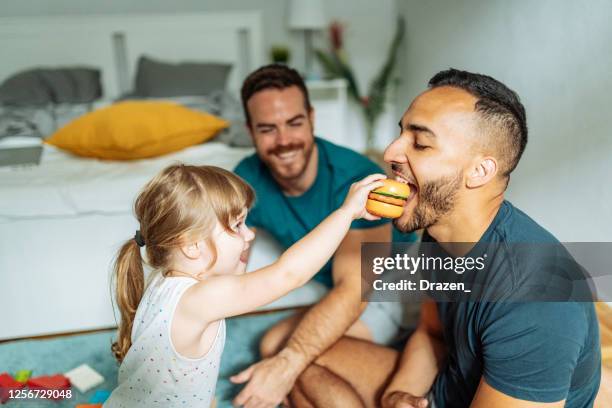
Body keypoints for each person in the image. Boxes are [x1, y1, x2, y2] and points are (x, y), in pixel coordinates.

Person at [290, 69, 601, 408]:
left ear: (480, 171)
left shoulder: (538, 297)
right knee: (302, 369)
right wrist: (396, 395)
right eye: (401, 134)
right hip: (448, 386)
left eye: (420, 143)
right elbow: (432, 333)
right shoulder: (439, 232)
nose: (391, 152)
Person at [104, 164, 385, 407]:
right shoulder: (200, 299)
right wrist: (347, 213)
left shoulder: (163, 280)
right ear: (191, 246)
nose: (249, 235)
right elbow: (288, 274)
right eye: (237, 225)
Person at [231, 64, 417, 407]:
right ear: (250, 131)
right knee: (272, 345)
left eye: (294, 123)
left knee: (288, 357)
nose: (284, 140)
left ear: (312, 118)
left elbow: (355, 289)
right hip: (349, 286)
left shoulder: (358, 177)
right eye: (268, 129)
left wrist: (288, 364)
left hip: (391, 284)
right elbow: (229, 263)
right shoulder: (247, 178)